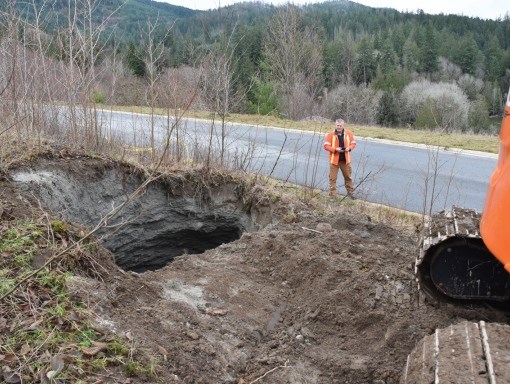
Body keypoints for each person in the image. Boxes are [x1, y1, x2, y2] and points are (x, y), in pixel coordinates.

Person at [323, 119, 357, 198]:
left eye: (340, 126)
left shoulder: (349, 133)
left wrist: (349, 148)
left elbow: (353, 143)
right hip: (334, 161)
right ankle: (333, 196)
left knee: (348, 177)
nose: (338, 127)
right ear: (335, 125)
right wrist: (335, 149)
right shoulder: (331, 134)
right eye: (337, 125)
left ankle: (350, 194)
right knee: (332, 179)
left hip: (345, 161)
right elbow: (326, 146)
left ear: (343, 126)